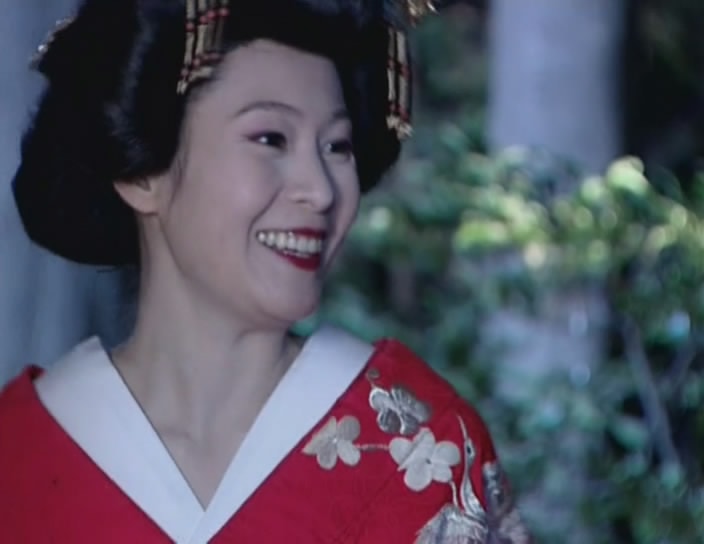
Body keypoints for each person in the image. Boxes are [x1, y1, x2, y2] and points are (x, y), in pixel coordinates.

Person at [0, 0, 531, 542]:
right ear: (143, 173)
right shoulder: (16, 454)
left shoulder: (425, 451)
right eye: (271, 139)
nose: (320, 190)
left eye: (337, 146)